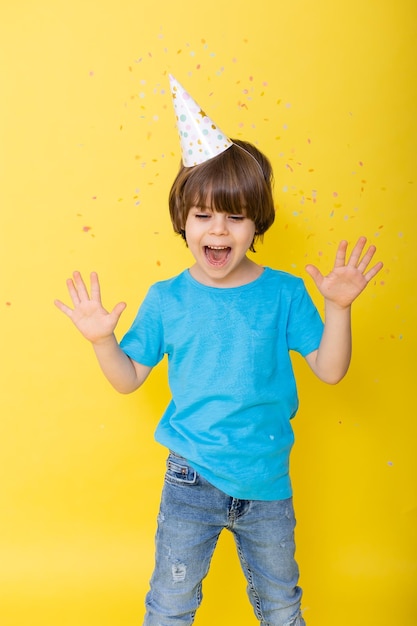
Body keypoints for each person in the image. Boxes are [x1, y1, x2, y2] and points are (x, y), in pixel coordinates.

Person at [55, 74, 382, 626]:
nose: (219, 230)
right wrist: (102, 340)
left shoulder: (283, 292)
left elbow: (330, 370)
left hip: (266, 482)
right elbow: (128, 377)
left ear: (257, 223)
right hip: (190, 481)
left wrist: (340, 310)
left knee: (281, 605)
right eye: (204, 215)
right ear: (182, 218)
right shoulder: (166, 299)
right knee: (170, 604)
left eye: (235, 216)